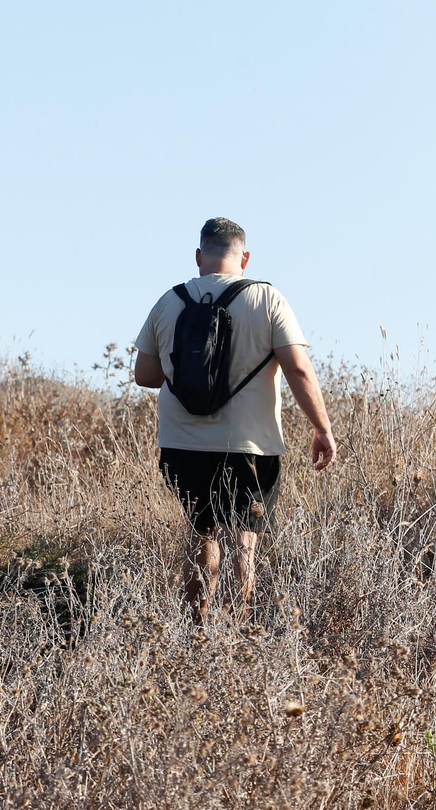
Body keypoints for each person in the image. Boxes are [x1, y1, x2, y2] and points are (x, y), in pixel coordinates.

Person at [133, 217, 335, 623]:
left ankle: (197, 631)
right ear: (244, 258)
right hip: (248, 444)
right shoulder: (266, 298)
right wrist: (322, 428)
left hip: (181, 442)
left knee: (199, 532)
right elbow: (297, 369)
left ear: (198, 257)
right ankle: (234, 642)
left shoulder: (169, 301)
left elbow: (145, 376)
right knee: (241, 542)